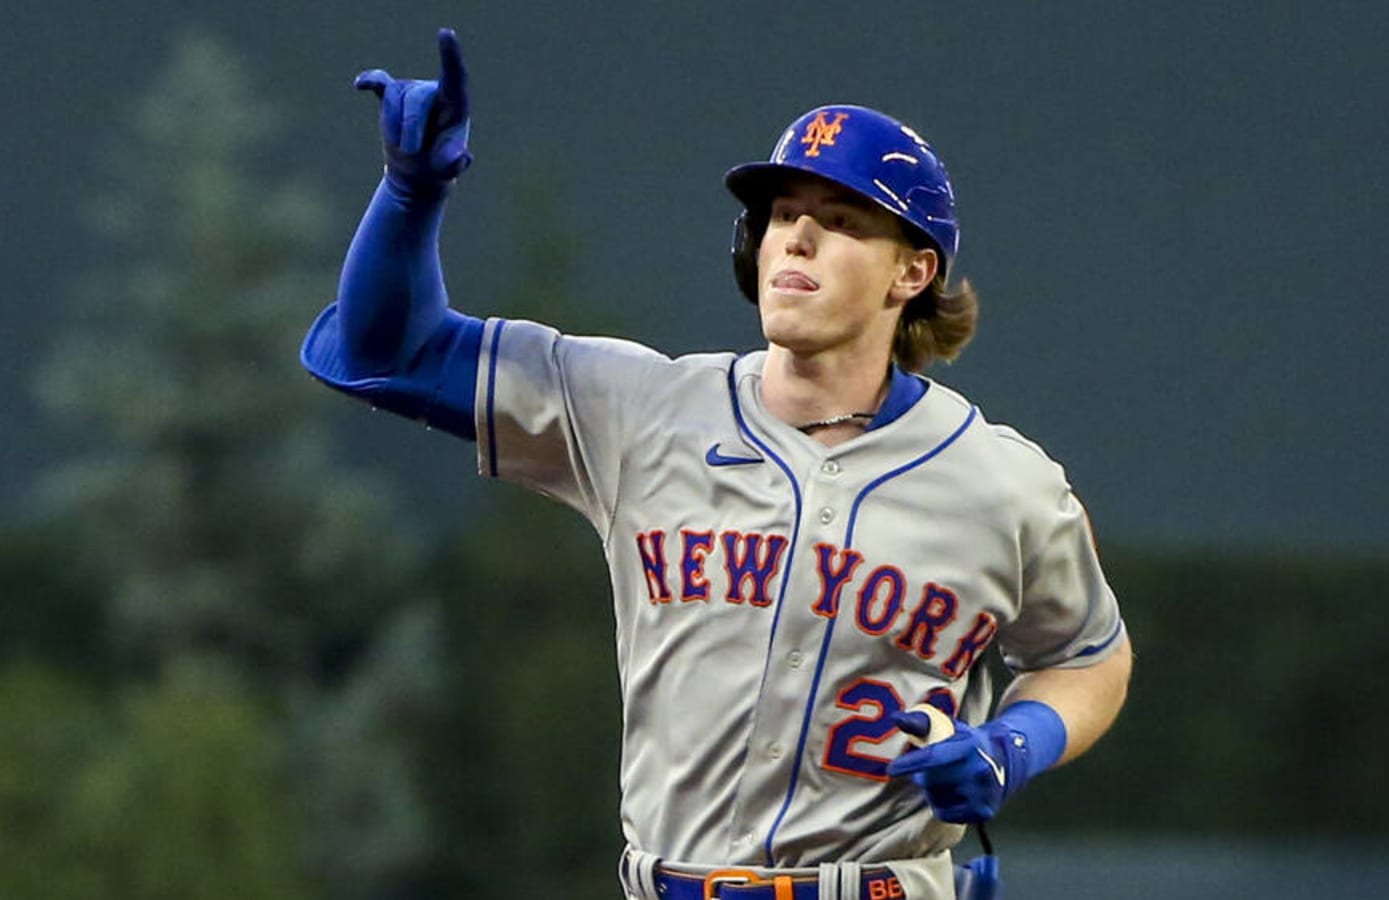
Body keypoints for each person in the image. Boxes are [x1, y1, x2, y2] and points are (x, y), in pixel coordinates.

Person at [302, 28, 1132, 900]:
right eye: (782, 214)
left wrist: (1014, 745)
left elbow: (1088, 655)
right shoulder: (640, 409)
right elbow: (383, 350)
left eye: (842, 221)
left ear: (912, 273)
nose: (798, 236)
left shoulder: (1002, 484)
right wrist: (409, 191)